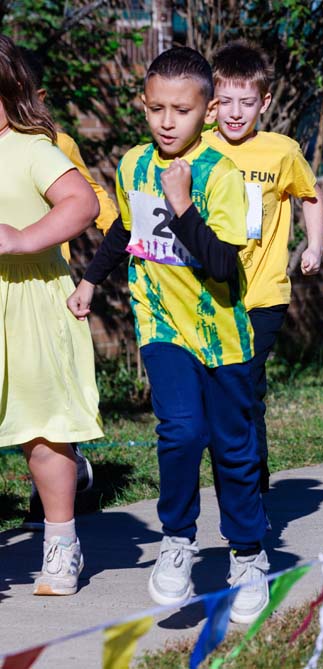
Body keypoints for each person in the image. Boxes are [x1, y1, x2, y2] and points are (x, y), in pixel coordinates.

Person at [66, 47, 269, 623]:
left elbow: (225, 266)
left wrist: (183, 207)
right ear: (144, 105)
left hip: (224, 337)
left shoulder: (221, 176)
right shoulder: (133, 164)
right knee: (181, 431)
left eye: (181, 110)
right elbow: (125, 230)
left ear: (206, 112)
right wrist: (90, 281)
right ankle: (177, 541)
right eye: (156, 108)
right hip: (160, 326)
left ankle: (248, 556)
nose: (167, 122)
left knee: (235, 449)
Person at [0, 34, 103, 595]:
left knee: (42, 434)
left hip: (30, 300)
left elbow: (83, 204)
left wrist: (21, 238)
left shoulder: (32, 147)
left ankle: (61, 547)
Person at [203, 40, 323, 493]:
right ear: (210, 103)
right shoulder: (196, 149)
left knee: (244, 383)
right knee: (221, 394)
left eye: (247, 102)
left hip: (263, 292)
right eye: (225, 102)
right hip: (209, 295)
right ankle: (238, 475)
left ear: (265, 103)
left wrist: (314, 246)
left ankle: (251, 479)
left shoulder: (280, 151)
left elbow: (310, 195)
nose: (236, 113)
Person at [17, 46, 120, 531]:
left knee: (44, 401)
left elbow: (91, 197)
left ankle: (58, 496)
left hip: (37, 279)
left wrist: (117, 236)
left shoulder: (52, 143)